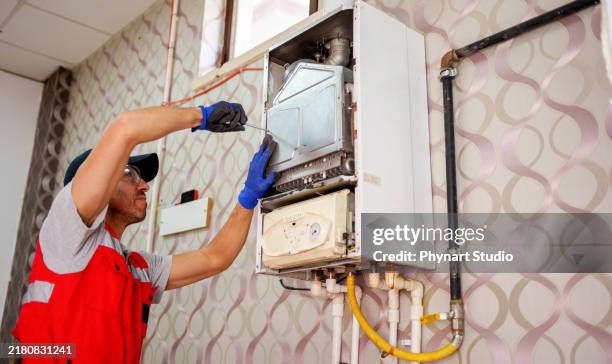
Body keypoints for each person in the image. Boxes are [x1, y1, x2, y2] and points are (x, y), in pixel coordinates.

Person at [12, 101, 277, 363]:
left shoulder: (137, 269)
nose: (144, 186)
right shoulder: (65, 232)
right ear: (93, 182)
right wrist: (202, 116)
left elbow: (216, 257)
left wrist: (248, 197)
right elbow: (127, 126)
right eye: (130, 173)